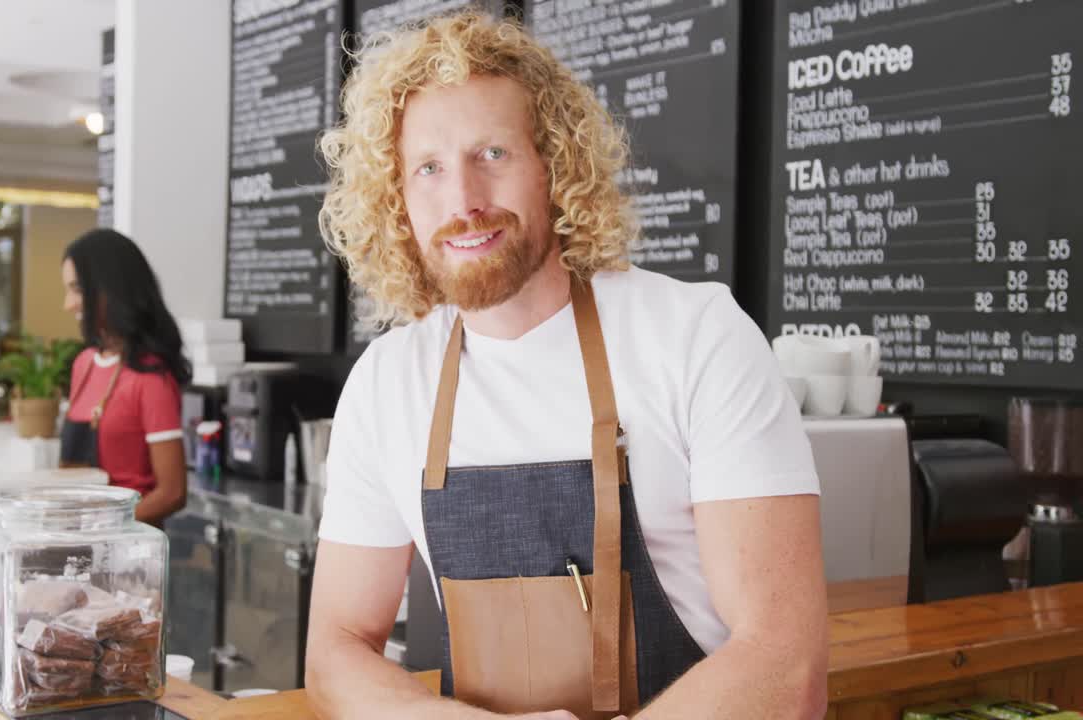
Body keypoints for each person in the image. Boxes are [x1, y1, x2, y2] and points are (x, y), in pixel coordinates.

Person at [306, 11, 827, 720]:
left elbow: (785, 662)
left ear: (556, 164)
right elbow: (335, 652)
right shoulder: (387, 382)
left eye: (492, 154)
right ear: (395, 198)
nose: (463, 200)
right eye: (428, 168)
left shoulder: (694, 335)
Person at [59, 228, 189, 526]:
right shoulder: (84, 365)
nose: (69, 304)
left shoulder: (151, 379)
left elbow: (172, 492)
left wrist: (100, 529)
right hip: (78, 546)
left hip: (127, 558)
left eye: (78, 289)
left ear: (110, 288)